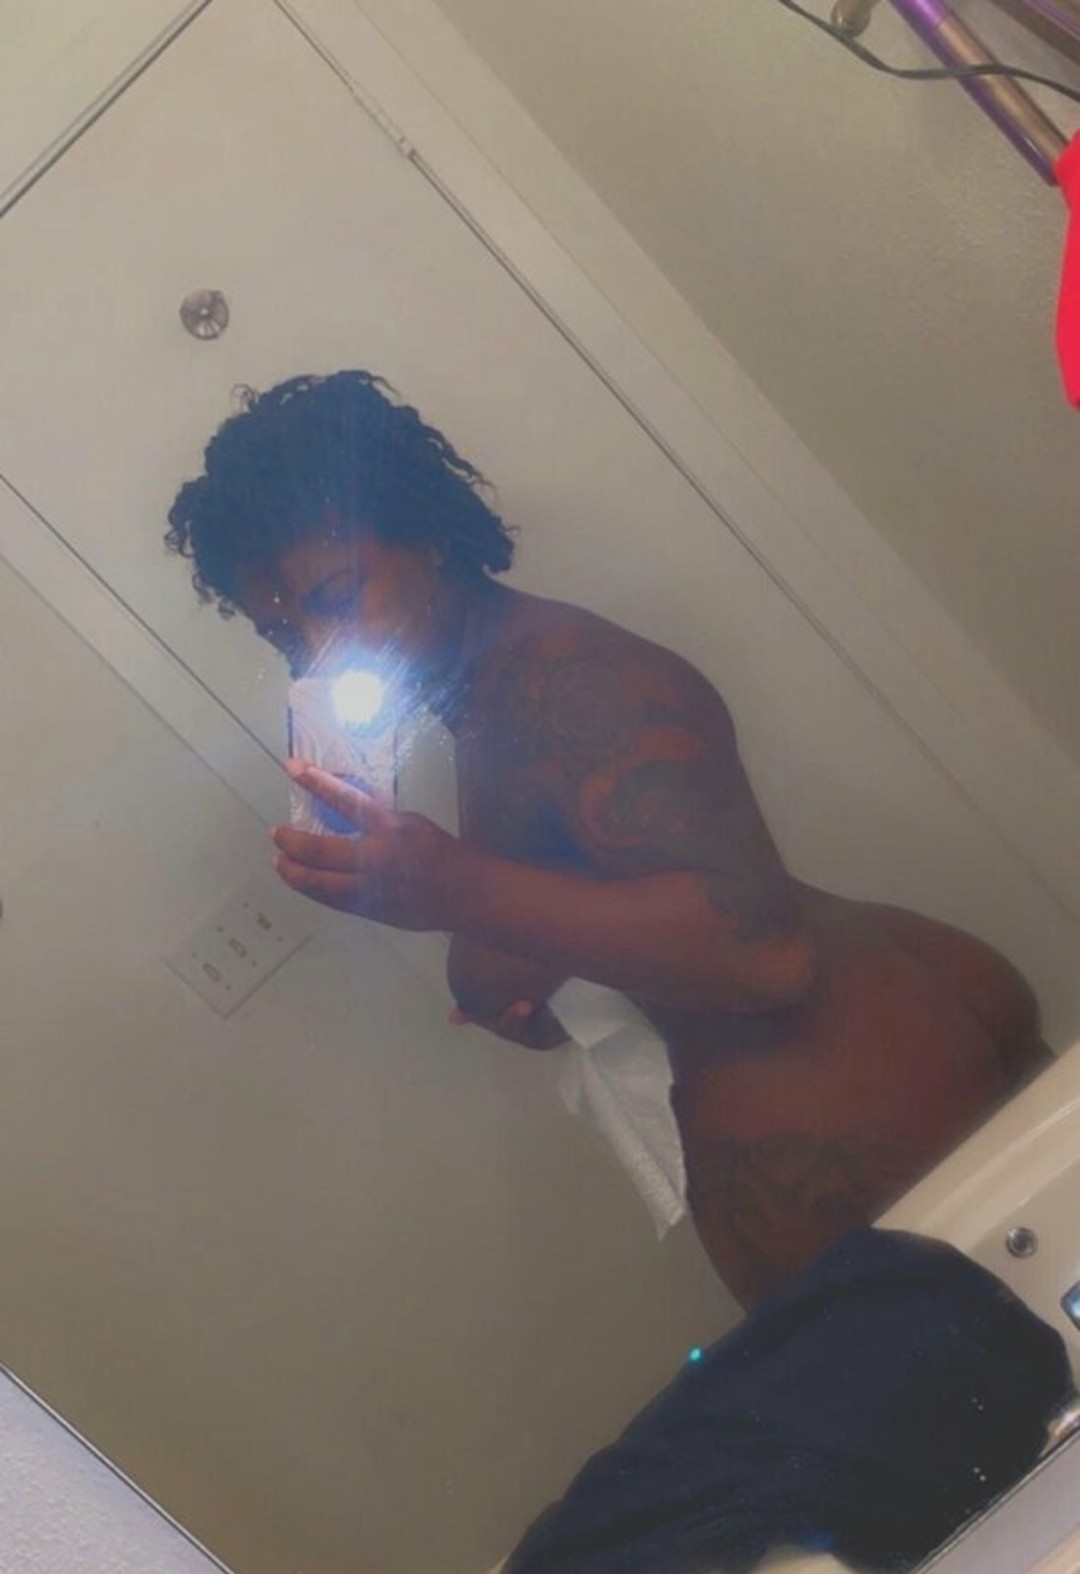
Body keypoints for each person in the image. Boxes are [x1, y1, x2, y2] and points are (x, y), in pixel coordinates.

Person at [166, 371, 1050, 1308]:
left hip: (874, 1109)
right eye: (283, 633)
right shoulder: (492, 697)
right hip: (893, 1071)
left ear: (423, 534)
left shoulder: (569, 682)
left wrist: (454, 891)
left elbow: (765, 958)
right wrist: (509, 961)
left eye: (338, 595)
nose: (317, 646)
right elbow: (609, 885)